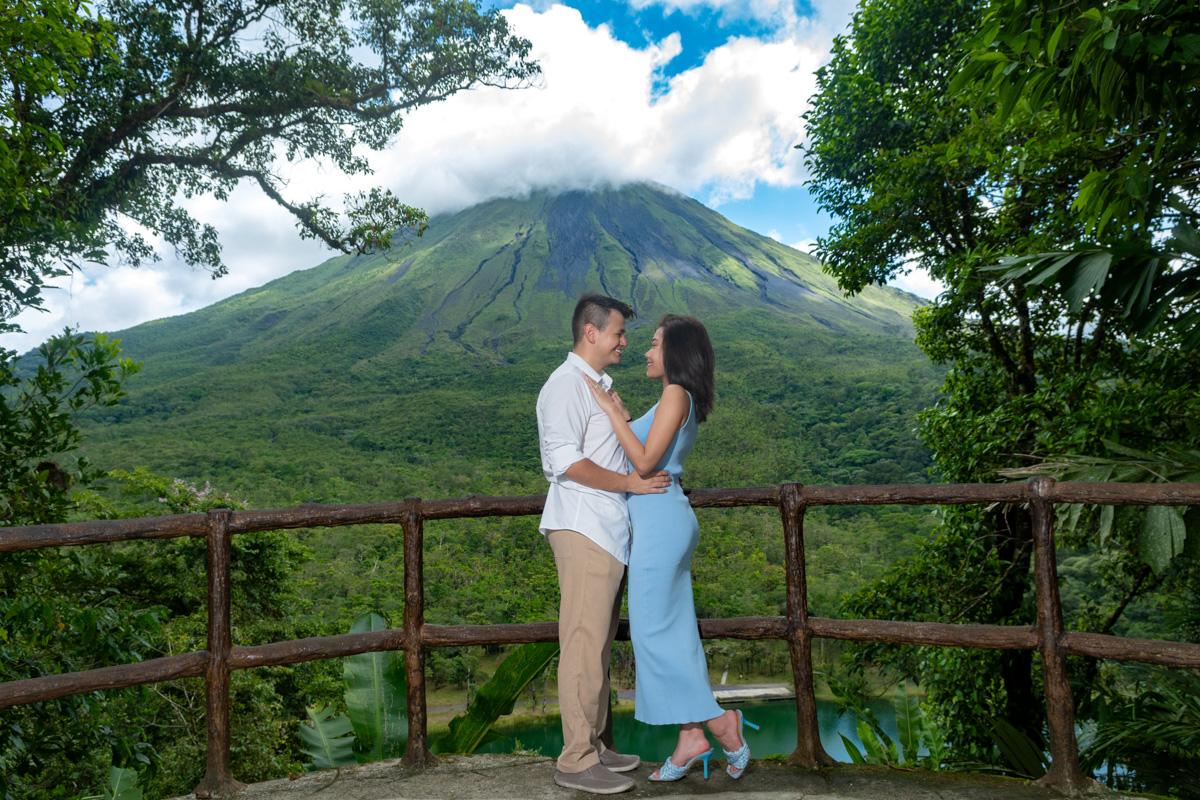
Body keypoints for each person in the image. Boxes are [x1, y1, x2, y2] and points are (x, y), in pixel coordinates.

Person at [585, 314, 758, 782]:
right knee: (674, 633)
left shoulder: (675, 394)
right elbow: (643, 447)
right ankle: (691, 735)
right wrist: (620, 414)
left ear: (677, 353)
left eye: (656, 344)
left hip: (660, 524)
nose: (645, 351)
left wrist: (606, 412)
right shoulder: (674, 398)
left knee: (649, 634)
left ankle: (720, 723)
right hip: (666, 519)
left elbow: (642, 463)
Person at [536, 293, 672, 795]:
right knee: (582, 643)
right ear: (590, 333)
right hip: (583, 526)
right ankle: (575, 760)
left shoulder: (598, 387)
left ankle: (594, 745)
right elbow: (565, 463)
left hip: (607, 531)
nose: (624, 342)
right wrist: (634, 485)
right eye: (618, 332)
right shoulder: (565, 386)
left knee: (596, 647)